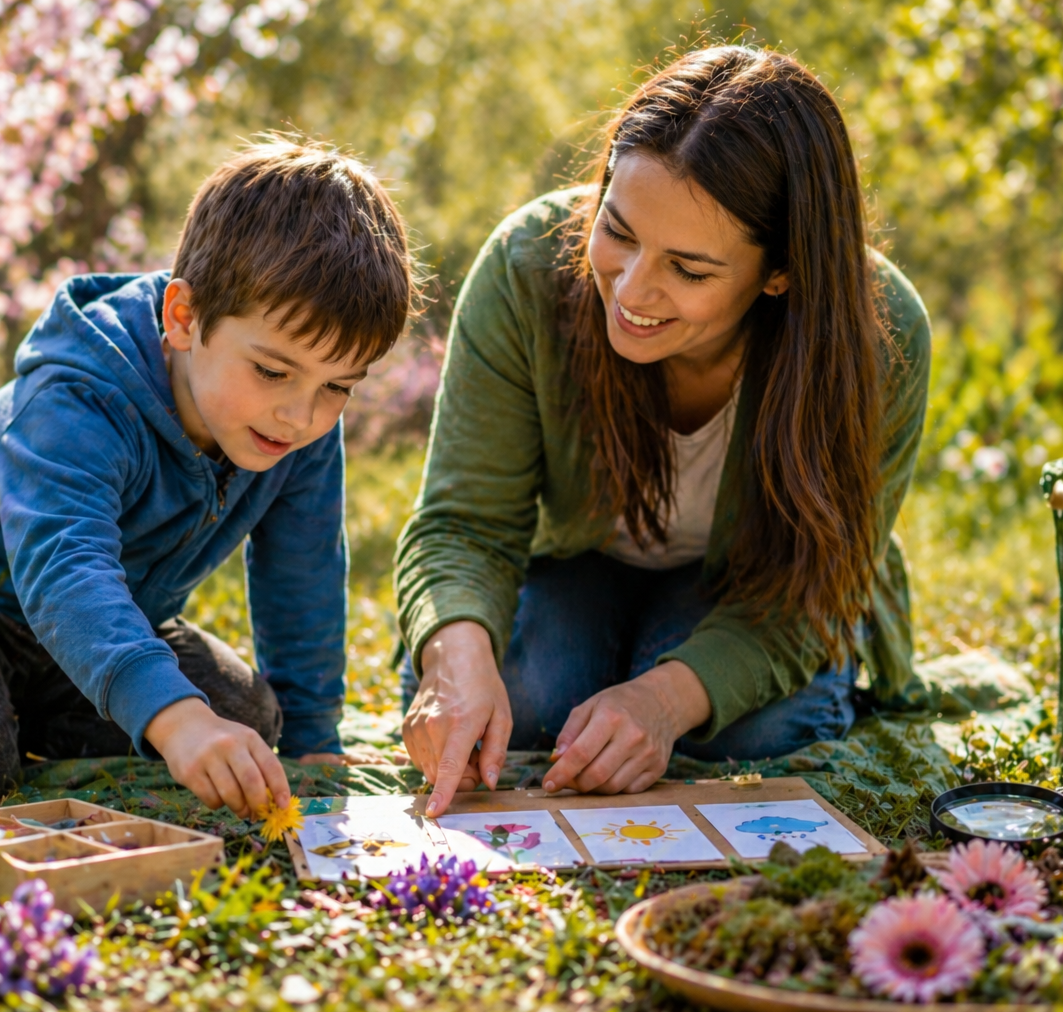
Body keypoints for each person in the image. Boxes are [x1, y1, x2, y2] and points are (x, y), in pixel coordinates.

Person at [395, 47, 931, 818]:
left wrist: (664, 701)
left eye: (689, 269)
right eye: (618, 230)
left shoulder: (883, 338)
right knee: (528, 704)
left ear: (780, 272)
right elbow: (464, 524)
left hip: (759, 586)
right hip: (574, 562)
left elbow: (810, 596)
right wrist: (453, 661)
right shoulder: (525, 267)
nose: (634, 289)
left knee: (750, 730)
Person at [0, 140, 416, 816]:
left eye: (338, 387)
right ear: (184, 317)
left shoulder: (293, 425)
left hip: (79, 639)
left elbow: (303, 569)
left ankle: (15, 711)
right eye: (272, 371)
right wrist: (177, 723)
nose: (301, 415)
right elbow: (67, 569)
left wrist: (313, 739)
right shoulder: (78, 398)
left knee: (244, 714)